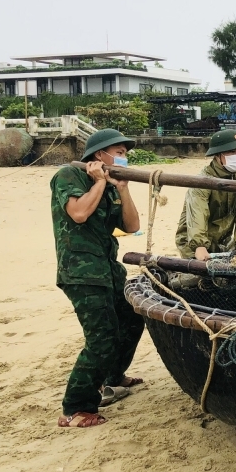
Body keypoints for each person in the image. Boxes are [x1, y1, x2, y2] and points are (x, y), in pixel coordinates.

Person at [51, 128, 145, 428]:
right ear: (99, 154)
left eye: (126, 154)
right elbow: (78, 213)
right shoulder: (69, 175)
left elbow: (131, 225)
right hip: (81, 272)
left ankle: (112, 378)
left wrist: (122, 188)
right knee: (101, 339)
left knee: (132, 318)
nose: (124, 158)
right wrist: (100, 183)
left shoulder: (113, 185)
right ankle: (76, 408)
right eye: (119, 152)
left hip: (109, 269)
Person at [175, 129, 236, 261]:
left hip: (223, 239)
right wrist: (199, 246)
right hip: (192, 239)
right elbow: (198, 213)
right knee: (198, 276)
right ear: (217, 155)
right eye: (231, 152)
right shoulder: (202, 181)